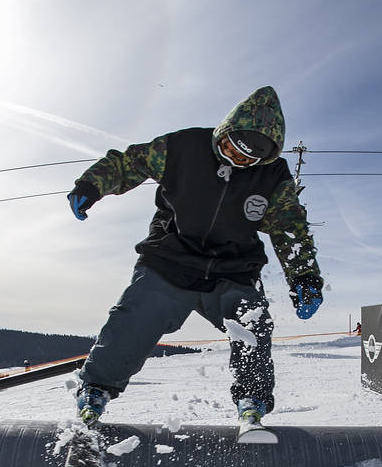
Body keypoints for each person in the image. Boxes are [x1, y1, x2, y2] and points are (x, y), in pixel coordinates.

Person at [65, 86, 321, 430]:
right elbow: (130, 163)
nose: (236, 159)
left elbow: (290, 226)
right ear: (224, 132)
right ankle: (95, 390)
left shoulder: (273, 176)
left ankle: (252, 400)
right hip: (169, 262)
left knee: (253, 323)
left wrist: (304, 276)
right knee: (133, 320)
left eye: (247, 159)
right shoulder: (182, 147)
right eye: (231, 148)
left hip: (233, 271)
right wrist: (92, 185)